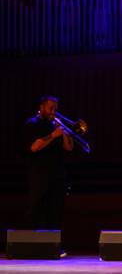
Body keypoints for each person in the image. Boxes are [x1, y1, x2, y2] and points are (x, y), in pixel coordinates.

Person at [23, 96, 73, 233]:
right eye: (51, 108)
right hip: (39, 175)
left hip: (57, 175)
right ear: (42, 107)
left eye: (55, 109)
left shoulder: (54, 125)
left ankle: (54, 245)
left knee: (56, 212)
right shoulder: (32, 123)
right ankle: (31, 244)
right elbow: (34, 147)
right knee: (36, 210)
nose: (54, 111)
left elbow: (69, 148)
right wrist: (53, 135)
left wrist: (64, 134)